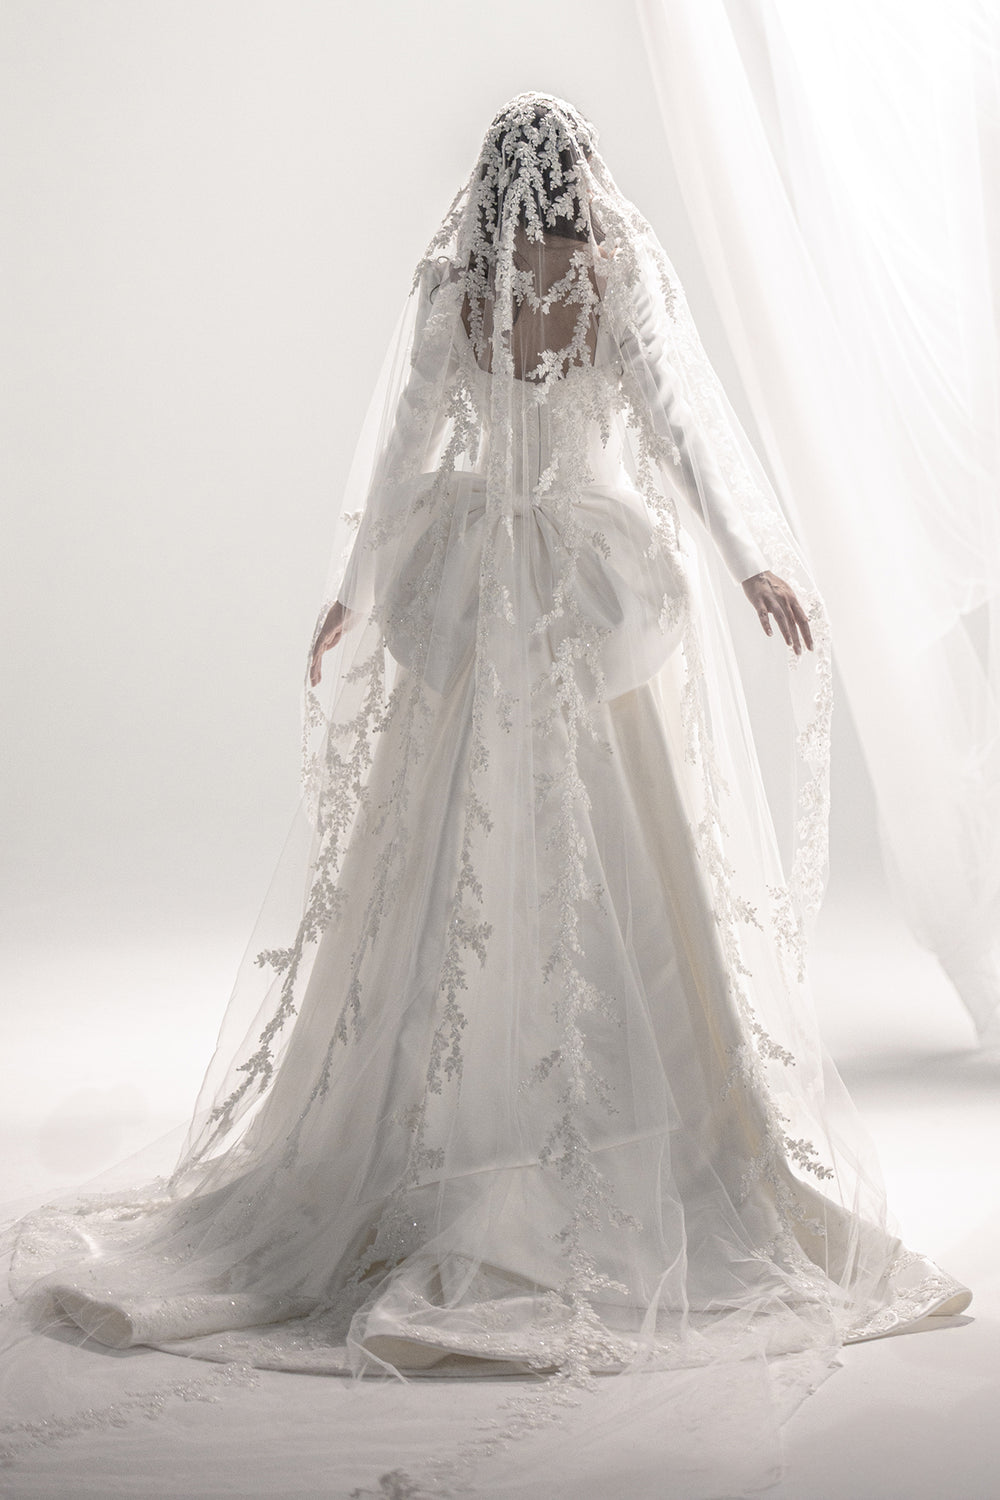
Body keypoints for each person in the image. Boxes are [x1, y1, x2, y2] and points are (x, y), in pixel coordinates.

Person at [1, 91, 971, 1491]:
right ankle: (589, 1144)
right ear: (578, 180)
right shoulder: (598, 273)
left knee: (465, 852)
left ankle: (455, 1140)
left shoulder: (461, 281)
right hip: (572, 587)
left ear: (491, 181)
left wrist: (357, 589)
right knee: (588, 854)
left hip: (489, 589)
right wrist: (749, 555)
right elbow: (668, 426)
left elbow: (413, 447)